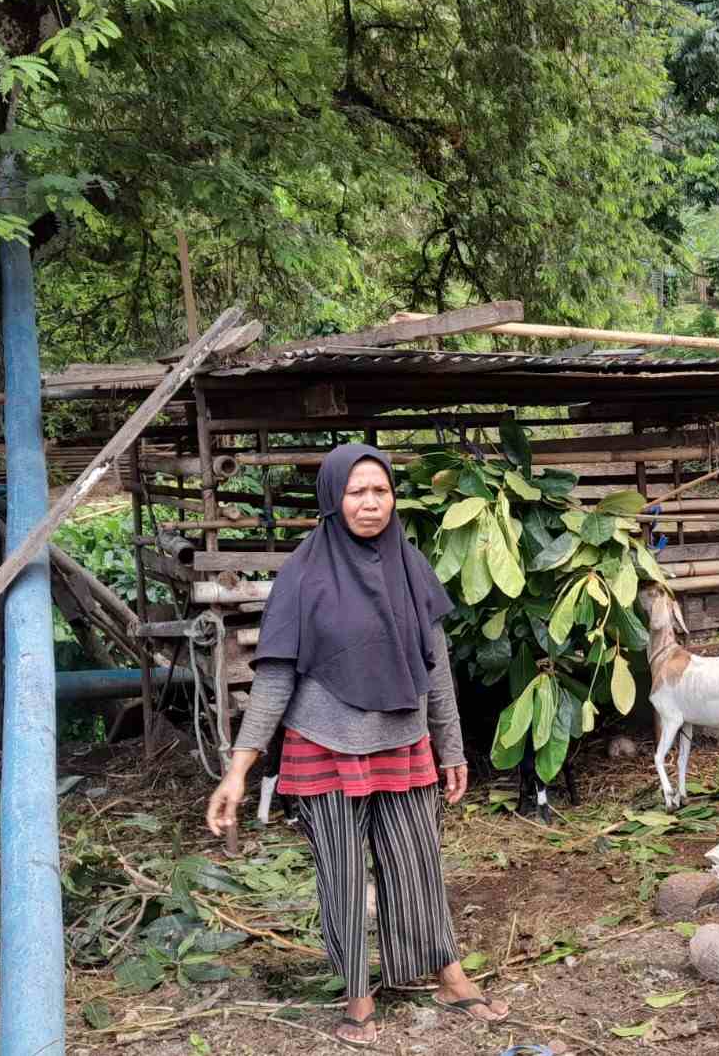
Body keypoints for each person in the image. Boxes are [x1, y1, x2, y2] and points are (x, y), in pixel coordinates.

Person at [205, 443, 510, 1046]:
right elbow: (274, 676)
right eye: (357, 491)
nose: (370, 503)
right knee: (341, 875)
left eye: (380, 490)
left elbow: (436, 666)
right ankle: (358, 996)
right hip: (324, 742)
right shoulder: (303, 572)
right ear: (333, 497)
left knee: (417, 864)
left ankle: (447, 974)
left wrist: (451, 747)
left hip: (403, 738)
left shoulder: (411, 565)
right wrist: (239, 770)